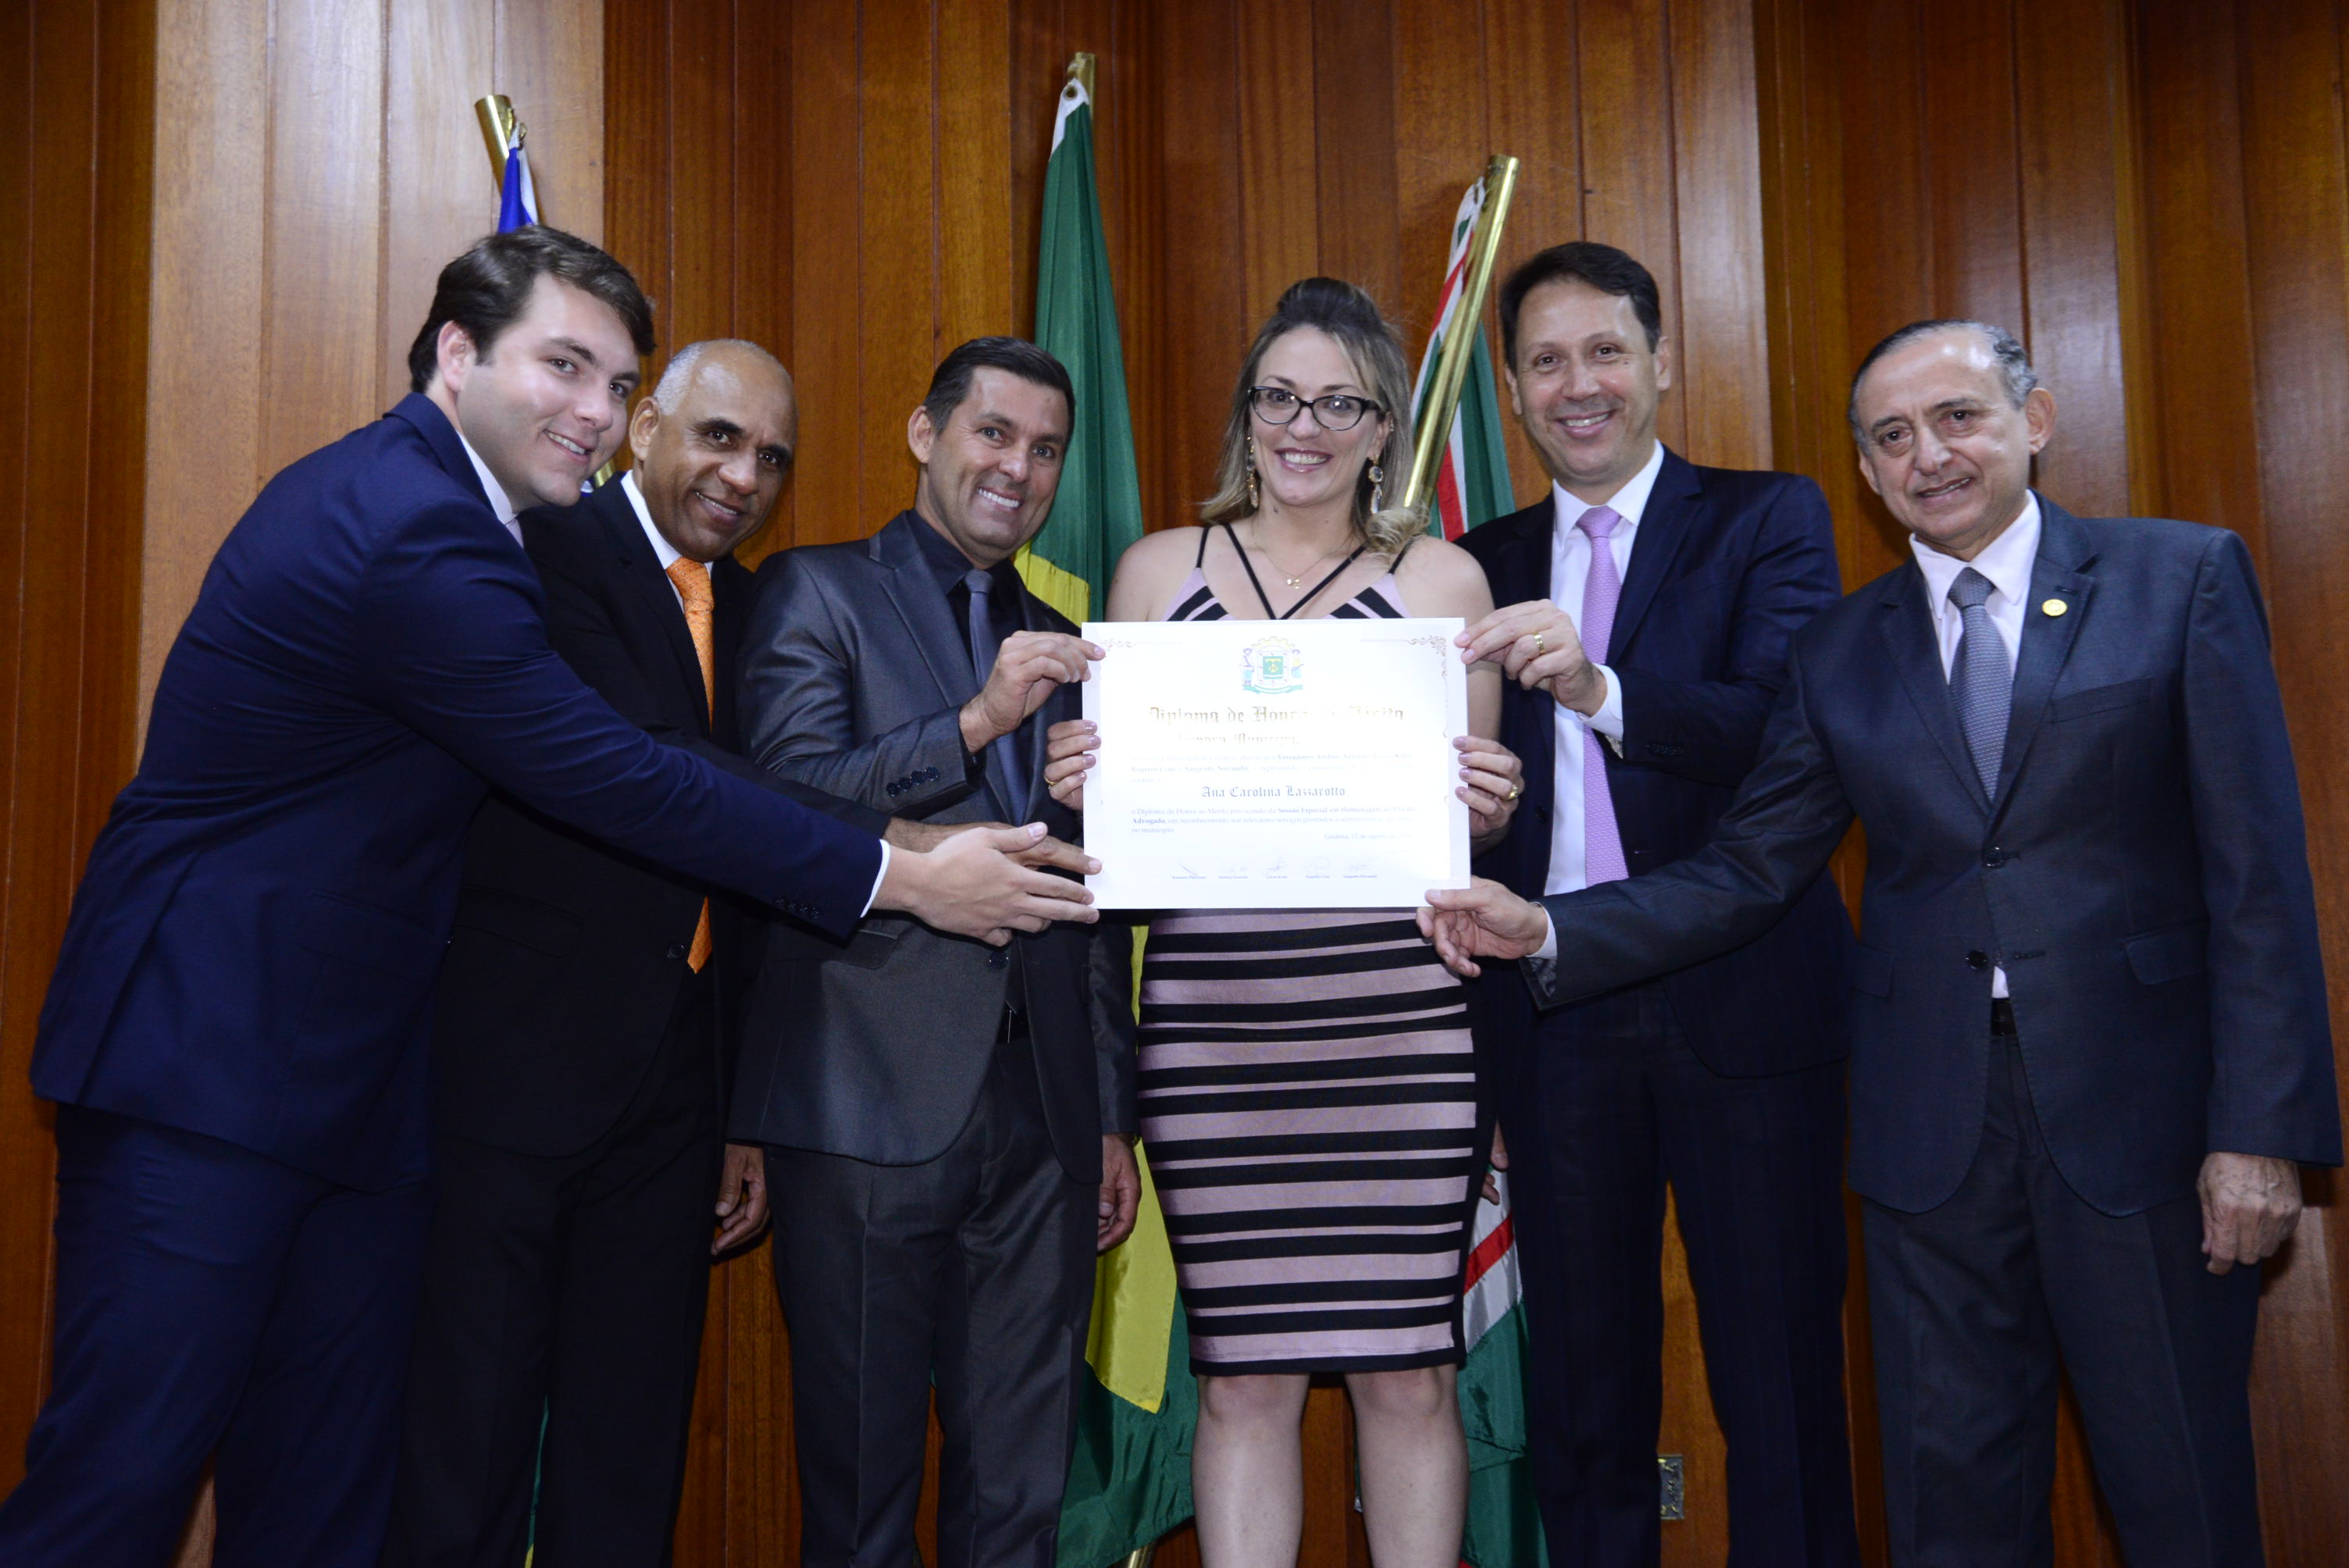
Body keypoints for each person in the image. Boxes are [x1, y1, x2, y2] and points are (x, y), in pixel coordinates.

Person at [0, 230, 1093, 1568]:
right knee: (120, 1485)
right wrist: (903, 874)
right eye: (563, 367)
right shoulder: (410, 524)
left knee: (317, 1501)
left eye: (615, 380)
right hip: (211, 1065)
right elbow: (616, 772)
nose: (594, 410)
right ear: (457, 354)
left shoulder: (487, 527)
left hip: (364, 1087)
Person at [1424, 319, 2342, 1566]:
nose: (1929, 457)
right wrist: (1547, 927)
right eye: (1893, 438)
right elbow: (1751, 869)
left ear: (2034, 420)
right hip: (1928, 1137)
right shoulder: (1843, 649)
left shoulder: (2179, 578)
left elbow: (2257, 878)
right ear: (1866, 470)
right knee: (1950, 1510)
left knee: (2179, 1491)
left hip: (2142, 1127)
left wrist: (2261, 1133)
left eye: (1959, 418)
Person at [384, 339, 1013, 1565]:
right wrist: (909, 858)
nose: (743, 476)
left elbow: (759, 880)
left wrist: (738, 1109)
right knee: (468, 1443)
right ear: (643, 428)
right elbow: (670, 774)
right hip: (513, 1081)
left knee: (629, 1453)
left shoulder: (764, 606)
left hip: (676, 1099)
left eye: (772, 458)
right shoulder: (539, 550)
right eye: (719, 438)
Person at [1045, 277, 1525, 1568]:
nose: (1302, 426)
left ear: (1383, 431)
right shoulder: (1159, 571)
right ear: (1246, 415)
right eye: (1278, 397)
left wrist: (1492, 806)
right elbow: (1119, 819)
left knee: (1408, 1369)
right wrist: (1086, 783)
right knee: (1244, 1373)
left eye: (1337, 404)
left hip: (1398, 1027)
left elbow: (1469, 835)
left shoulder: (1446, 580)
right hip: (1215, 1030)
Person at [1450, 241, 1858, 1565]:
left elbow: (1782, 731)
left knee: (1782, 1384)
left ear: (1662, 361)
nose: (1579, 385)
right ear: (1511, 391)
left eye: (1606, 352)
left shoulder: (1768, 519)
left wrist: (1598, 689)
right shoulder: (1471, 566)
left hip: (1749, 1006)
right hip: (1550, 1011)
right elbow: (1442, 794)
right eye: (1546, 361)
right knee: (1583, 1395)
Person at [729, 337, 1140, 1568]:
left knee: (1018, 1504)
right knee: (860, 1505)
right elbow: (783, 804)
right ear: (926, 434)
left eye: (1047, 450)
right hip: (864, 1102)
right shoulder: (814, 590)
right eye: (994, 433)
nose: (1020, 468)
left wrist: (1107, 1114)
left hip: (1044, 1126)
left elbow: (1093, 894)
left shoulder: (1073, 643)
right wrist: (975, 723)